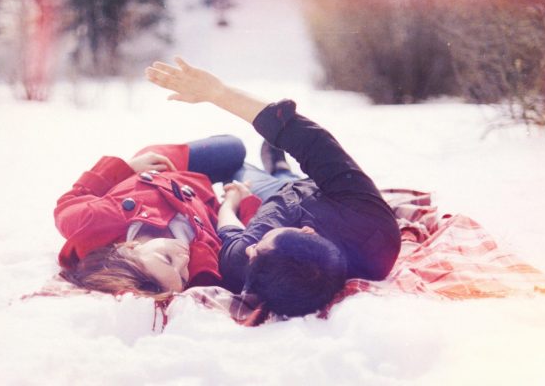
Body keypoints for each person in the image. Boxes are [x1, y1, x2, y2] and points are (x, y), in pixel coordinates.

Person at [145, 57, 401, 317]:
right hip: (317, 192)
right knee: (277, 170)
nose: (250, 247)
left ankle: (278, 171)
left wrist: (233, 199)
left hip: (270, 197)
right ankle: (280, 168)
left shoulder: (246, 264)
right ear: (308, 231)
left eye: (252, 252)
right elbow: (314, 142)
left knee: (234, 159)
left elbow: (230, 230)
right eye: (260, 244)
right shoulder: (371, 222)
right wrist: (218, 93)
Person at [54, 135, 262, 298]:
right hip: (203, 189)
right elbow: (239, 240)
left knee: (235, 147)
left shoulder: (93, 222)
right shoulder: (203, 270)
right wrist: (241, 203)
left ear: (130, 248)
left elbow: (71, 199)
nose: (183, 259)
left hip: (163, 166)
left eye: (167, 258)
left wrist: (126, 167)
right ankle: (278, 166)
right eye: (182, 276)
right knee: (250, 177)